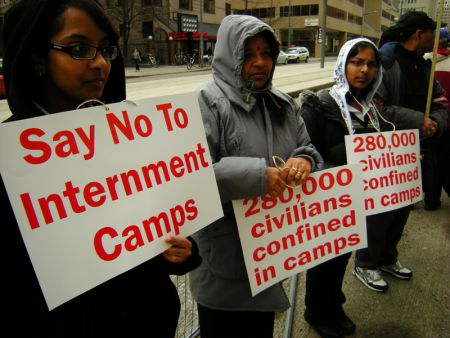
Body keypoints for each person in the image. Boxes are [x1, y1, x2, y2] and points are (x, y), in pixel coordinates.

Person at [0, 1, 201, 337]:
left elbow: (166, 226)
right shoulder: (8, 161)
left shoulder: (129, 135)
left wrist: (180, 253)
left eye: (106, 49)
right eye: (79, 49)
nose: (99, 63)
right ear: (36, 58)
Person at [189, 14, 323, 338]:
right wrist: (258, 177)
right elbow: (192, 176)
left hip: (270, 257)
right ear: (229, 55)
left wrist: (304, 161)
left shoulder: (283, 105)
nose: (260, 62)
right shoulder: (205, 102)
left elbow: (305, 146)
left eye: (266, 53)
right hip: (224, 267)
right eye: (248, 54)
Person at [300, 38, 398, 337]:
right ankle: (317, 311)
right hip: (325, 205)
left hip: (353, 205)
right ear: (343, 65)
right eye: (357, 62)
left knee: (341, 257)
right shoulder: (318, 105)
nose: (364, 70)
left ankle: (334, 304)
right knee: (323, 261)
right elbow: (305, 151)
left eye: (371, 64)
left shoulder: (371, 110)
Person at [376, 11, 449, 212]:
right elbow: (376, 109)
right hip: (395, 156)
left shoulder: (426, 67)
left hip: (427, 147)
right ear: (419, 34)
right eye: (431, 33)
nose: (435, 39)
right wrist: (418, 121)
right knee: (398, 210)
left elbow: (441, 101)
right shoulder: (387, 66)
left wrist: (435, 122)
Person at [424, 28, 450, 199]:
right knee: (444, 161)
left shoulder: (424, 61)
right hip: (447, 121)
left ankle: (428, 198)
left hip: (426, 120)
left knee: (427, 160)